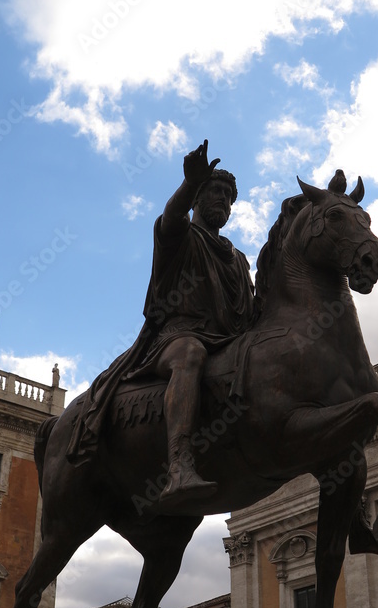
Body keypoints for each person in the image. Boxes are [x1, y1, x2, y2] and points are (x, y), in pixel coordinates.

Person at [67, 140, 255, 511]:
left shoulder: (238, 258)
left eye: (229, 197)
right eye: (215, 192)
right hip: (176, 336)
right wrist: (188, 185)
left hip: (228, 340)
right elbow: (171, 218)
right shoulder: (180, 236)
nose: (224, 202)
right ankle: (180, 465)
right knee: (190, 354)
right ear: (198, 198)